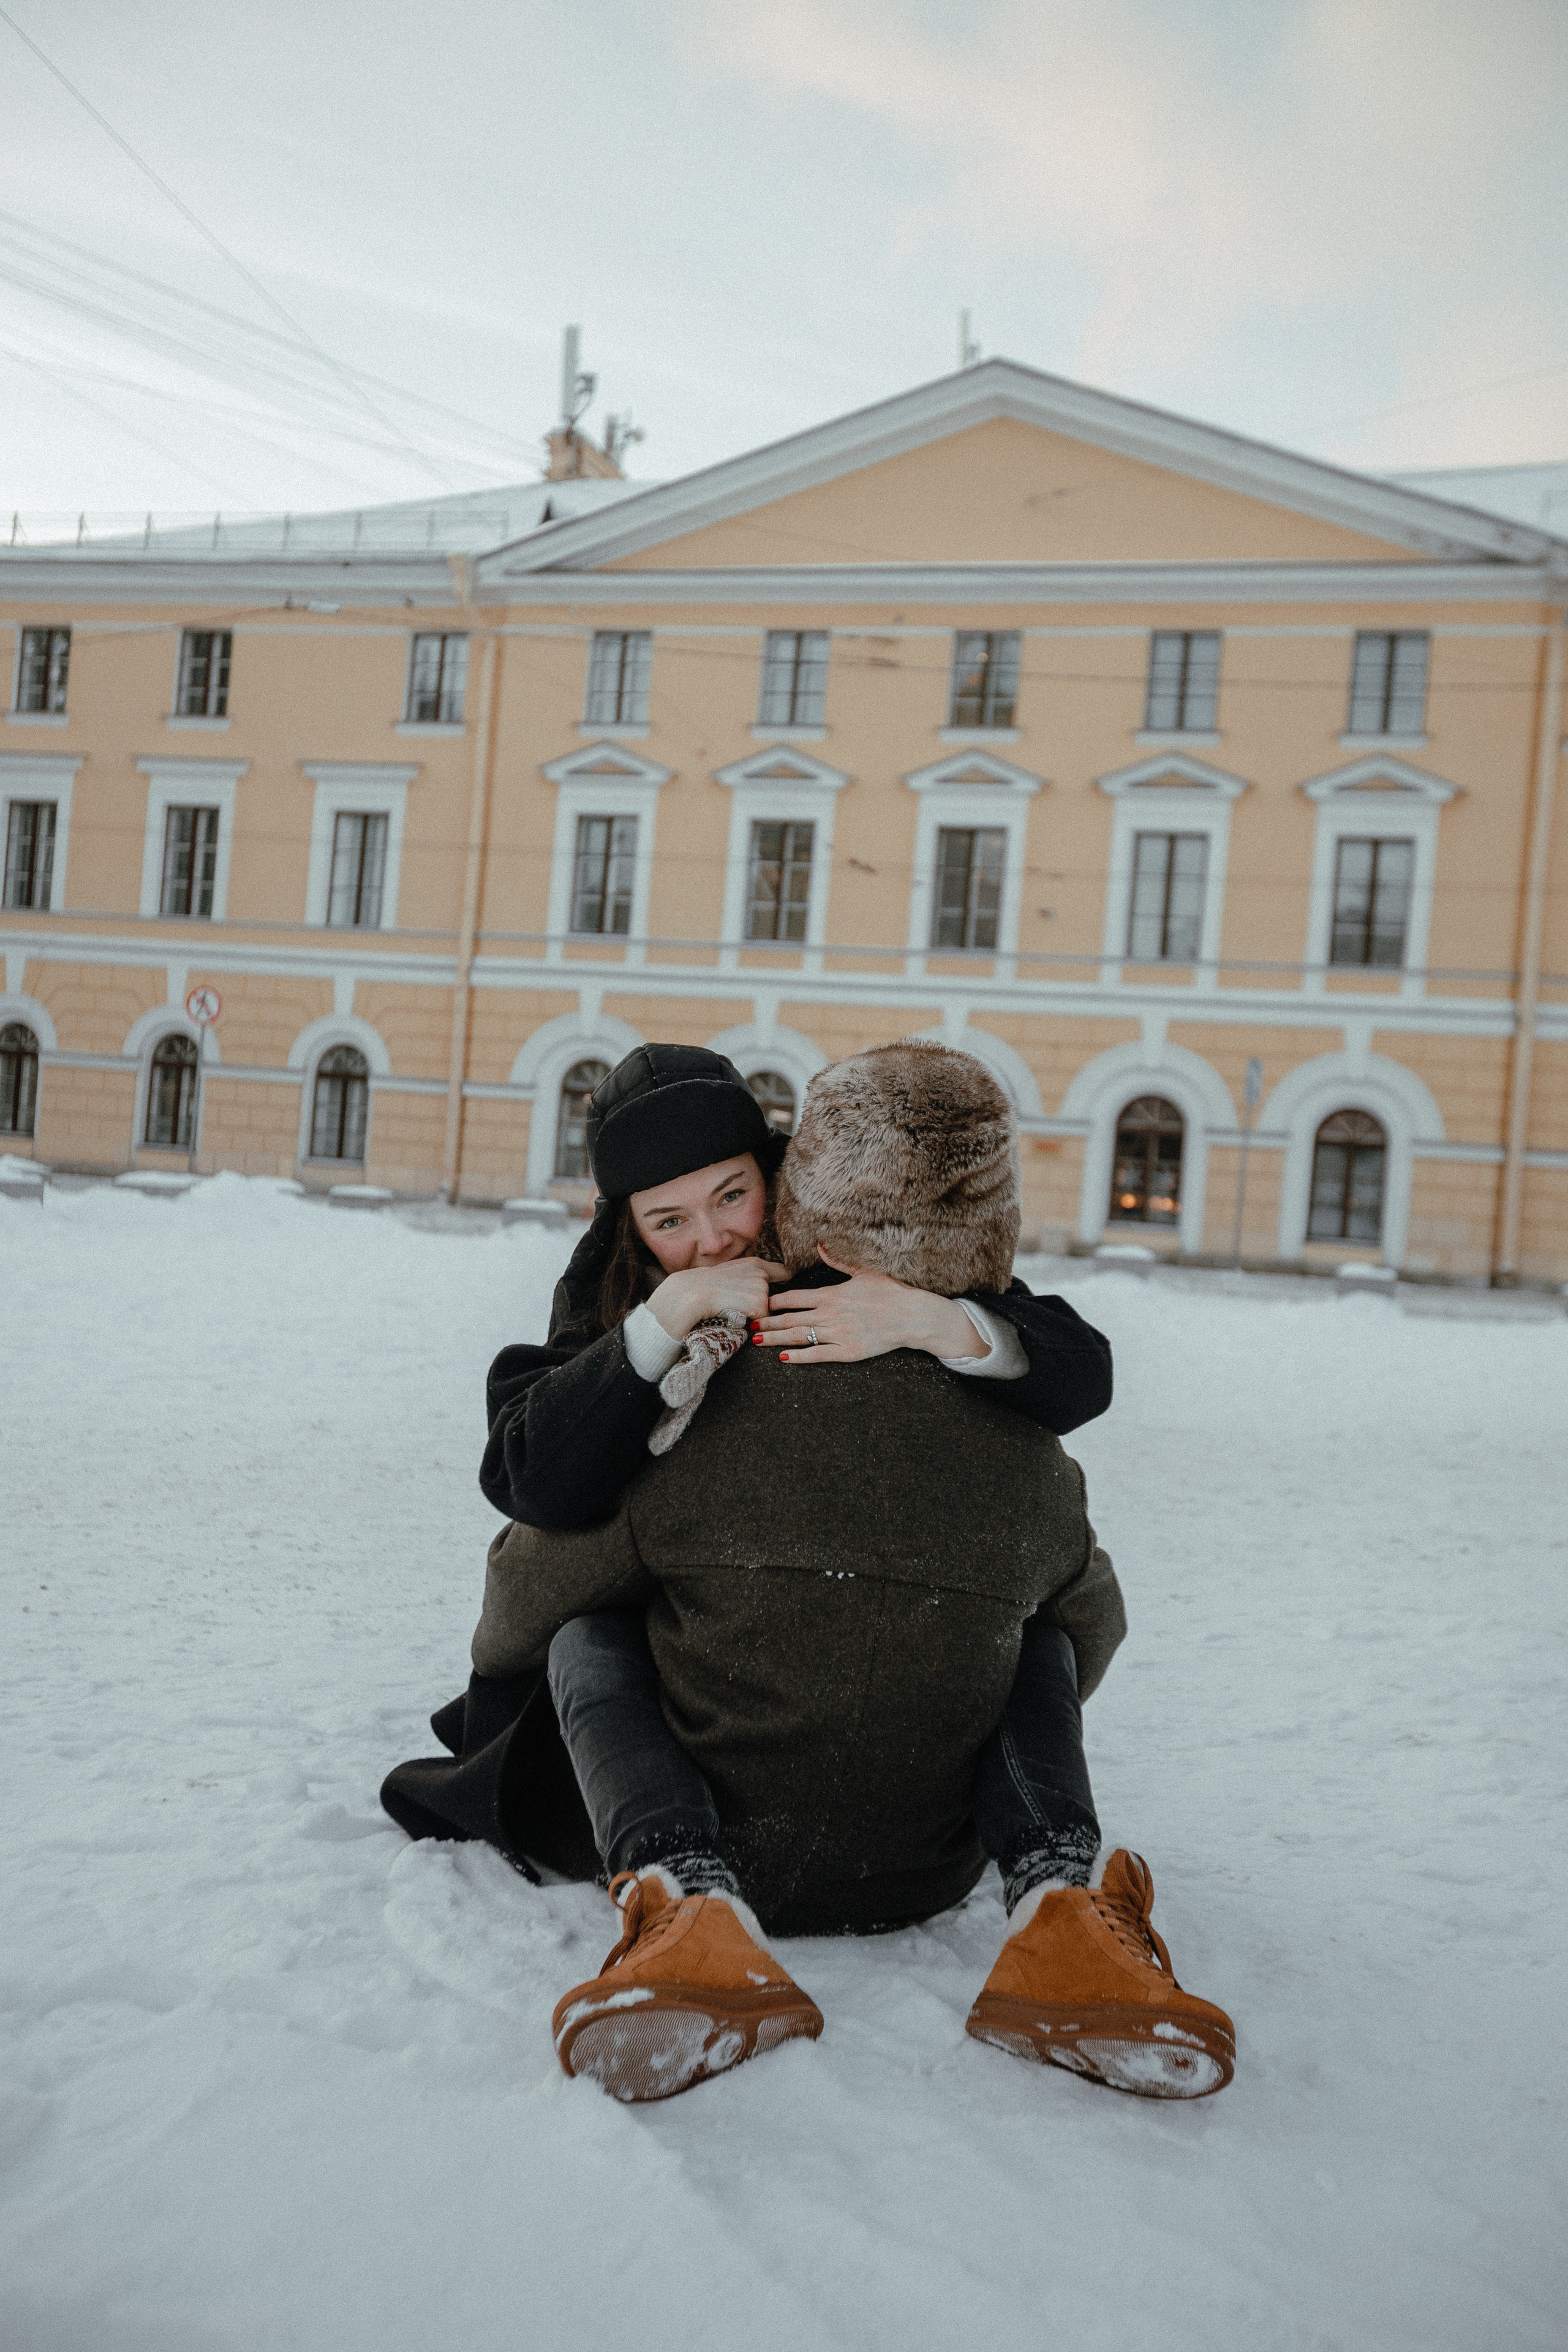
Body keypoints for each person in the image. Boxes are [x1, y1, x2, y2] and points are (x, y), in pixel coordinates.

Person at [382, 1043, 1235, 2104]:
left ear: (780, 1179)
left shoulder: (851, 1302)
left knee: (585, 1621)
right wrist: (663, 1323)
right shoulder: (613, 1311)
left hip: (730, 1764)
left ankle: (688, 1901)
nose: (715, 1237)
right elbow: (532, 1471)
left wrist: (939, 1319)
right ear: (627, 1229)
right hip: (907, 1833)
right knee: (1037, 1629)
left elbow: (1079, 1362)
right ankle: (1059, 1893)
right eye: (670, 1223)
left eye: (735, 1195)